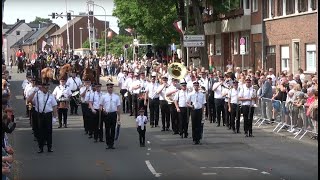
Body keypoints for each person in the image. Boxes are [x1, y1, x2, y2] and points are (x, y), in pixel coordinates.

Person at [27, 83, 58, 153]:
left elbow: (54, 106)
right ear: (42, 88)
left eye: (47, 88)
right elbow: (29, 100)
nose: (46, 89)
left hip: (48, 114)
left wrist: (54, 117)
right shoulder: (37, 95)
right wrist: (35, 91)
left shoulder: (50, 95)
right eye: (45, 88)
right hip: (40, 115)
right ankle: (40, 147)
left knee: (49, 131)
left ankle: (49, 147)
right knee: (40, 131)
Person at [100, 81, 121, 149]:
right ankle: (108, 143)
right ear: (107, 88)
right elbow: (101, 106)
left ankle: (112, 143)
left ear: (112, 88)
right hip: (107, 114)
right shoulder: (104, 96)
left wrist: (119, 117)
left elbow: (118, 107)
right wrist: (103, 110)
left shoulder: (116, 97)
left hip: (113, 114)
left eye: (111, 87)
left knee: (113, 129)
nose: (110, 89)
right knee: (107, 129)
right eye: (108, 88)